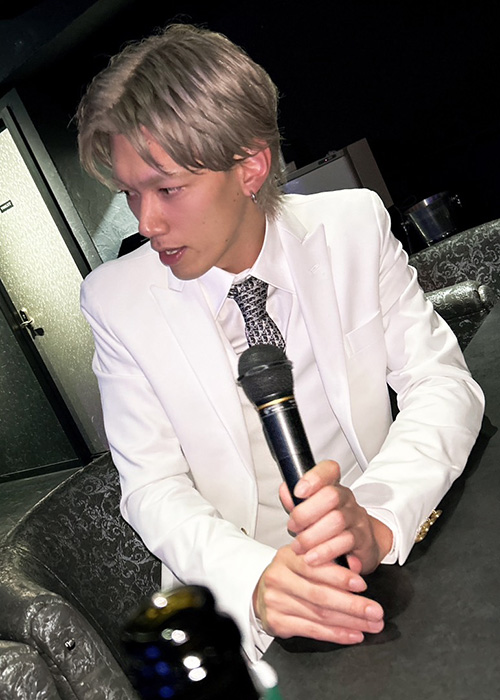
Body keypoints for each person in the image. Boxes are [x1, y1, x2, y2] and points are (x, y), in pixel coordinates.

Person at [77, 23, 484, 662]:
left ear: (251, 166)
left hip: (388, 558)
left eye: (167, 188)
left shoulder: (353, 226)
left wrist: (378, 518)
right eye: (131, 193)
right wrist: (258, 579)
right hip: (242, 607)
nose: (146, 222)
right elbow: (152, 486)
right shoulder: (114, 300)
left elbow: (440, 382)